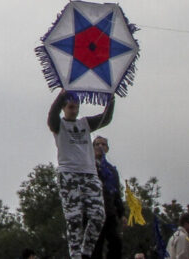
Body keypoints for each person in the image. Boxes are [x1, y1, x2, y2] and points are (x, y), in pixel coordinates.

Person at [47, 90, 115, 259]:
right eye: (71, 107)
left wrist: (111, 99)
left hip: (89, 174)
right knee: (74, 217)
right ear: (64, 108)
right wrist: (62, 94)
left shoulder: (85, 123)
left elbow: (105, 118)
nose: (74, 111)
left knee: (98, 215)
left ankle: (86, 251)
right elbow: (51, 115)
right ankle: (75, 254)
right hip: (69, 174)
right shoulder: (59, 125)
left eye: (76, 107)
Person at [92, 135, 124, 259]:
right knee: (96, 245)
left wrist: (121, 213)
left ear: (107, 148)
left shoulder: (111, 170)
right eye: (97, 144)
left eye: (103, 144)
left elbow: (116, 192)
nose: (100, 147)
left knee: (116, 241)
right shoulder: (87, 166)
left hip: (109, 211)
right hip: (93, 211)